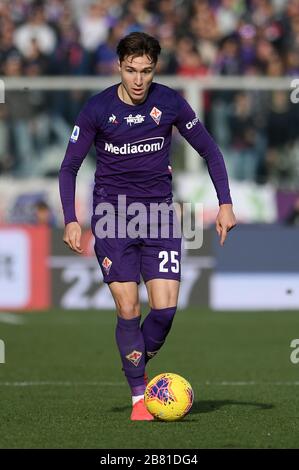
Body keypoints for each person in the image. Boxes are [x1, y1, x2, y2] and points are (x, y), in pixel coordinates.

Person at [59, 32, 236, 421]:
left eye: (146, 71)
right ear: (118, 67)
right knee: (127, 305)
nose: (138, 80)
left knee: (165, 312)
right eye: (131, 71)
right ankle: (140, 397)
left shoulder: (170, 102)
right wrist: (71, 218)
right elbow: (69, 165)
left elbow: (209, 149)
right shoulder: (97, 109)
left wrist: (225, 203)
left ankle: (135, 355)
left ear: (155, 69)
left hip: (159, 216)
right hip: (112, 217)